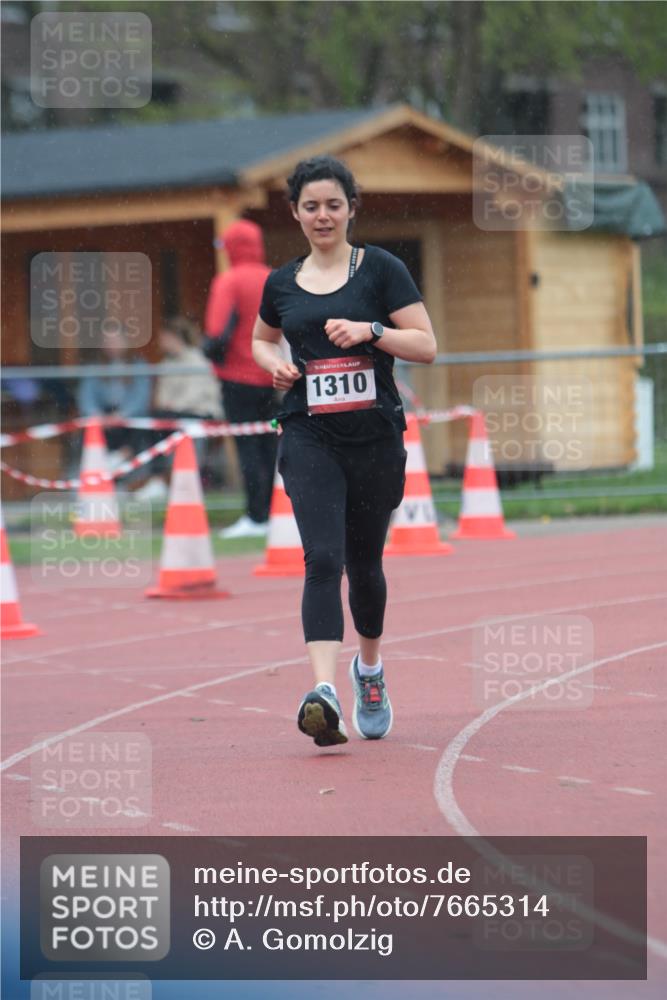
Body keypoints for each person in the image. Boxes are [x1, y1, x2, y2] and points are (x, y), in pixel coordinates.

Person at [251, 155, 437, 748]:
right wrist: (274, 366)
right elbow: (261, 340)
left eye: (333, 204)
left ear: (351, 208)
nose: (323, 215)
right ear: (296, 214)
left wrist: (372, 331)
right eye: (311, 206)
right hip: (309, 434)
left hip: (374, 438)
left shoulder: (380, 270)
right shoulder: (280, 283)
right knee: (321, 560)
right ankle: (323, 691)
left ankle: (370, 670)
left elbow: (427, 345)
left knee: (366, 567)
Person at [204, 219, 277, 539]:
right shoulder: (274, 278)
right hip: (274, 374)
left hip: (237, 377)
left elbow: (216, 332)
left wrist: (210, 353)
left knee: (247, 447)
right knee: (270, 445)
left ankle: (255, 516)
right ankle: (276, 511)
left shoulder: (228, 281)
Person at [135, 316, 223, 501]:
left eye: (164, 337)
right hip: (173, 414)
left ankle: (165, 480)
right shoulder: (166, 363)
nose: (161, 342)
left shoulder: (197, 359)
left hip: (200, 413)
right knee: (152, 421)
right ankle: (158, 479)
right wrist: (168, 407)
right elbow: (161, 396)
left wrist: (172, 406)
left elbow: (196, 394)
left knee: (161, 421)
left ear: (174, 337)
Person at [77, 327, 151, 468]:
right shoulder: (95, 366)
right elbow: (86, 396)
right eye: (107, 341)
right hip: (103, 414)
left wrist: (121, 415)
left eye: (115, 340)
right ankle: (95, 466)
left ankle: (120, 458)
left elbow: (141, 397)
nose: (111, 344)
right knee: (88, 429)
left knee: (142, 424)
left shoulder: (139, 364)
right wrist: (96, 415)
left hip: (129, 415)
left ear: (126, 341)